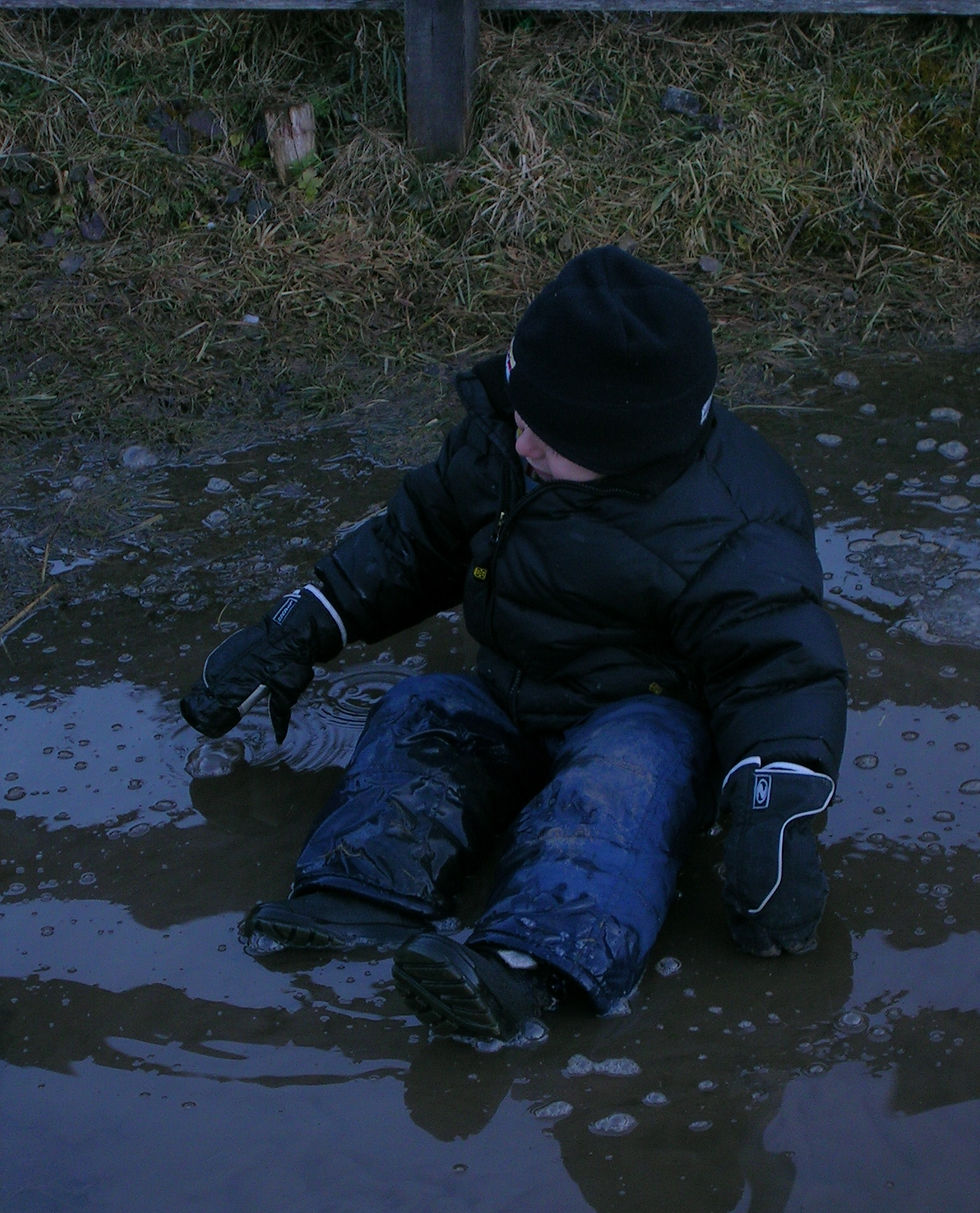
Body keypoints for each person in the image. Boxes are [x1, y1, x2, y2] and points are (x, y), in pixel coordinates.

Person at [180, 245, 848, 1042]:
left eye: (550, 439)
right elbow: (414, 540)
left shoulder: (735, 523)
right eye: (521, 418)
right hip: (512, 689)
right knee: (424, 705)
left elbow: (778, 666)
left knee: (624, 778)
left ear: (626, 446)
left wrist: (774, 803)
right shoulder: (506, 438)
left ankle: (528, 961)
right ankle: (362, 888)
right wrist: (305, 621)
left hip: (645, 714)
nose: (524, 445)